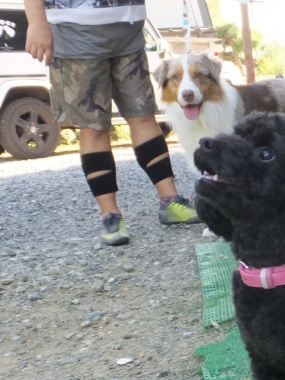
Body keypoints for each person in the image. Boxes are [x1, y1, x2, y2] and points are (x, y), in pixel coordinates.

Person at [23, 0, 201, 246]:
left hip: (129, 30)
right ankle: (110, 215)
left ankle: (170, 201)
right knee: (94, 127)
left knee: (144, 116)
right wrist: (36, 22)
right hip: (75, 35)